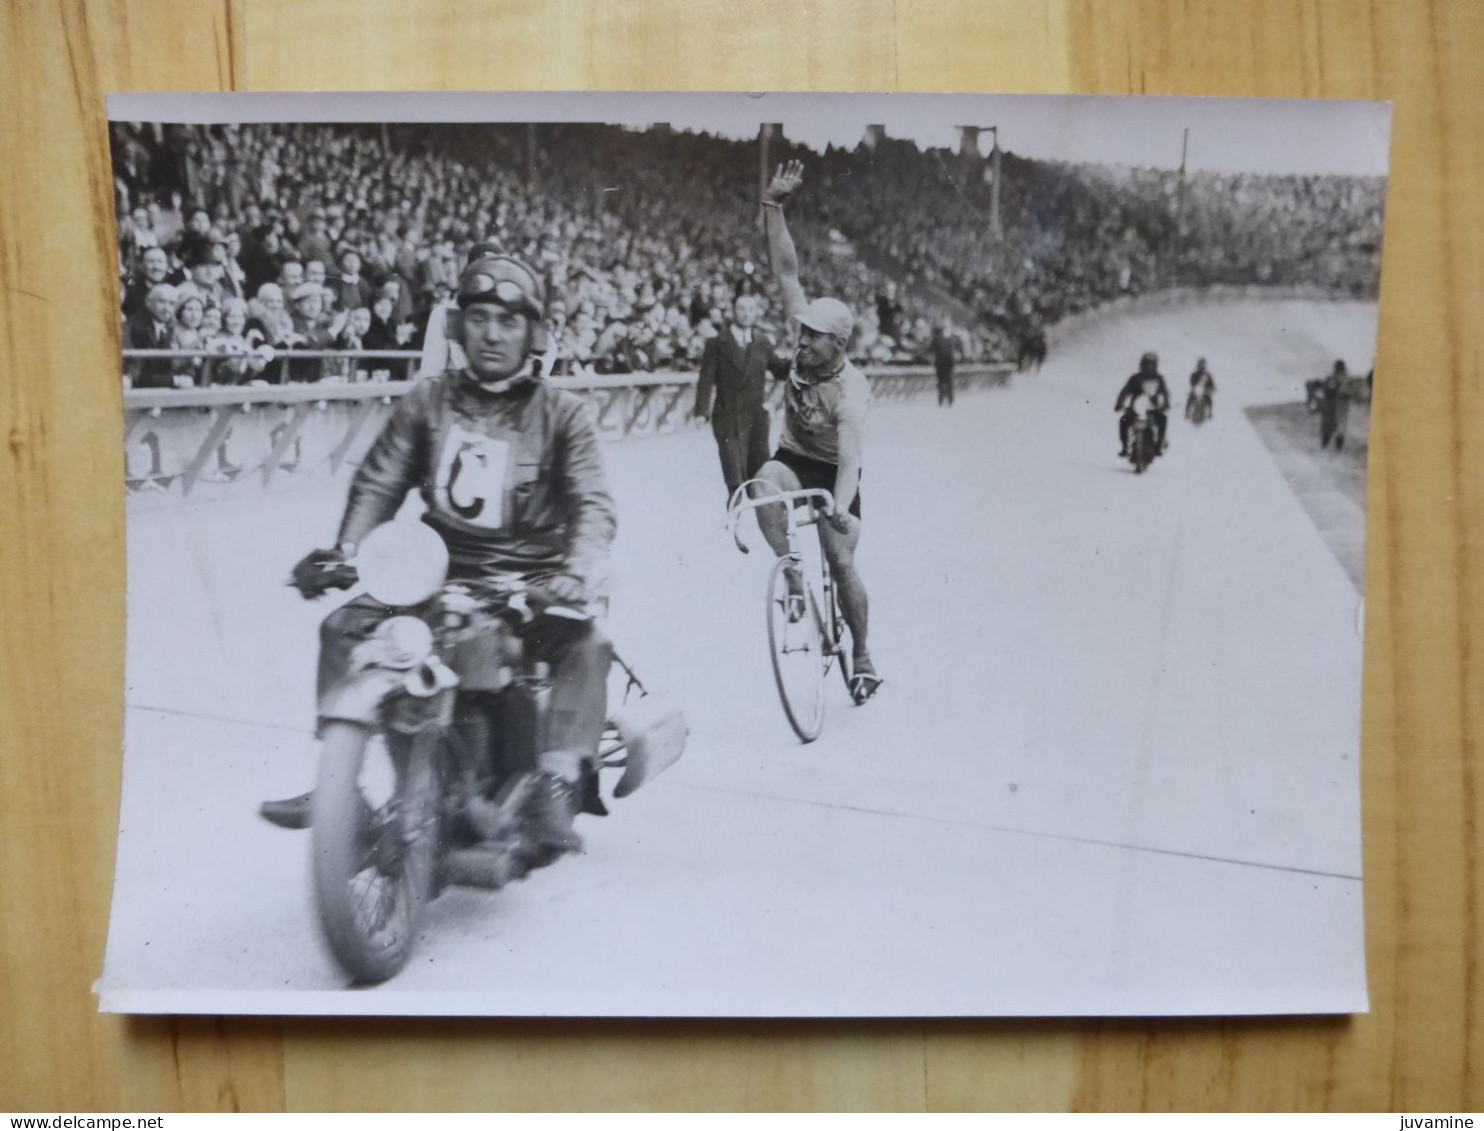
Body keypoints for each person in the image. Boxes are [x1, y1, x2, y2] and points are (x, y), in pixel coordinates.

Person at [259, 255, 616, 858]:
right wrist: (347, 551)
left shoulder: (564, 414)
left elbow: (593, 505)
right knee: (343, 627)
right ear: (458, 327)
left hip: (532, 576)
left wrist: (576, 572)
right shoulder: (426, 401)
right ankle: (337, 778)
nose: (493, 334)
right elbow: (379, 483)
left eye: (509, 320)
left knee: (586, 643)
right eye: (479, 318)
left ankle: (555, 779)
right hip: (435, 569)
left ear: (533, 332)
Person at [751, 159, 881, 703]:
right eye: (800, 334)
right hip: (793, 455)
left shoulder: (852, 392)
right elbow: (786, 271)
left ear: (838, 346)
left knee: (842, 558)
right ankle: (794, 580)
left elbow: (849, 464)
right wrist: (773, 205)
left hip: (834, 472)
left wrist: (838, 506)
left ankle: (863, 653)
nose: (799, 344)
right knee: (761, 484)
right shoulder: (805, 338)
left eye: (812, 339)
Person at [693, 292, 784, 503]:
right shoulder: (716, 343)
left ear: (756, 313)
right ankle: (734, 517)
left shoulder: (762, 342)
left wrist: (802, 357)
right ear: (733, 311)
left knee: (759, 473)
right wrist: (701, 411)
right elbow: (705, 380)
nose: (745, 314)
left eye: (750, 309)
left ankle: (762, 520)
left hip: (756, 418)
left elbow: (780, 370)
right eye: (741, 309)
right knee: (733, 474)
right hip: (727, 416)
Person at [1115, 351, 1171, 458]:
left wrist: (1166, 404)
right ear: (1142, 364)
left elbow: (1165, 392)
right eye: (1147, 364)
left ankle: (1158, 445)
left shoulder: (1159, 378)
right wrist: (1119, 403)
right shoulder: (1135, 378)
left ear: (1155, 365)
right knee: (1123, 421)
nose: (1149, 366)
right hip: (1136, 409)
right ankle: (1125, 447)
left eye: (1151, 364)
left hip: (1153, 409)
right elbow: (1125, 391)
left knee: (1162, 419)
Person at [1319, 359, 1352, 451]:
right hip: (1342, 403)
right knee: (1341, 423)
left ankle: (1327, 443)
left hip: (1334, 403)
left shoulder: (1333, 378)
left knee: (1330, 423)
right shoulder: (1347, 378)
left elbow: (1327, 390)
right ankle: (1337, 445)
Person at [930, 322, 956, 407]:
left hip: (940, 364)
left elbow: (930, 350)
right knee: (948, 380)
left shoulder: (935, 340)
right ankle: (950, 397)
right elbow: (951, 351)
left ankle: (941, 398)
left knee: (941, 381)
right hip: (949, 362)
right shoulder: (947, 340)